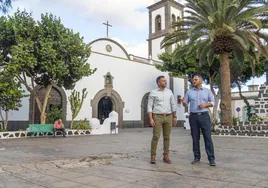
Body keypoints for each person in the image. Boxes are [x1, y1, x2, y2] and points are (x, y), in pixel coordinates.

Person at [181, 75, 216, 166]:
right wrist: (183, 102)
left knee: (207, 138)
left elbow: (213, 102)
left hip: (204, 116)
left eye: (196, 79)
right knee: (195, 138)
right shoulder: (189, 92)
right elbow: (185, 104)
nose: (194, 81)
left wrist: (205, 105)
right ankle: (196, 158)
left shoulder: (207, 91)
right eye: (193, 80)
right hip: (193, 117)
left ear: (201, 81)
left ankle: (211, 159)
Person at [147, 76, 177, 164]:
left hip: (168, 116)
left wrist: (174, 117)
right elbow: (149, 106)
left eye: (165, 81)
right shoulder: (153, 92)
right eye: (163, 81)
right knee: (156, 136)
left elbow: (173, 104)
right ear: (158, 83)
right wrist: (151, 118)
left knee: (167, 137)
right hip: (157, 117)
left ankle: (166, 156)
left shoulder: (169, 92)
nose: (165, 82)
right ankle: (153, 156)